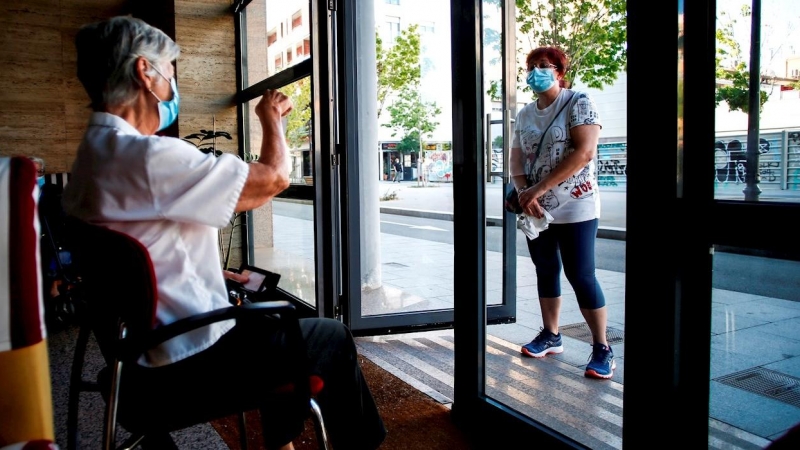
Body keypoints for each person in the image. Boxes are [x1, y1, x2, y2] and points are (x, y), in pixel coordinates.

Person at [61, 16, 386, 450]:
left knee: (271, 326)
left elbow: (148, 249)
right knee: (330, 336)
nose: (172, 86)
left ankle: (281, 447)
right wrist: (271, 119)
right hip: (187, 363)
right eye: (169, 73)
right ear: (145, 72)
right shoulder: (148, 157)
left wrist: (213, 276)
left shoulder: (89, 158)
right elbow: (272, 180)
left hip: (135, 354)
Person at [510, 46, 614, 380]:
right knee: (545, 269)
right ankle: (551, 335)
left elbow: (584, 153)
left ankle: (602, 348)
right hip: (536, 209)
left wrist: (536, 190)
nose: (536, 71)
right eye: (531, 66)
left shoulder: (579, 101)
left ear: (559, 72)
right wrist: (526, 192)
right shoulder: (525, 113)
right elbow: (516, 158)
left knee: (581, 273)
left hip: (576, 205)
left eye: (544, 65)